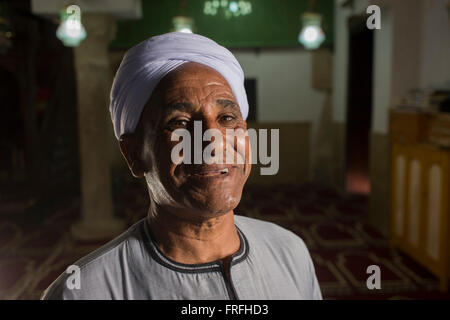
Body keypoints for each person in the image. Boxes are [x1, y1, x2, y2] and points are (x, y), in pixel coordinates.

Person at [42, 32, 322, 300]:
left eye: (226, 118)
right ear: (134, 154)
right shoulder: (82, 292)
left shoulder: (290, 250)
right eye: (179, 123)